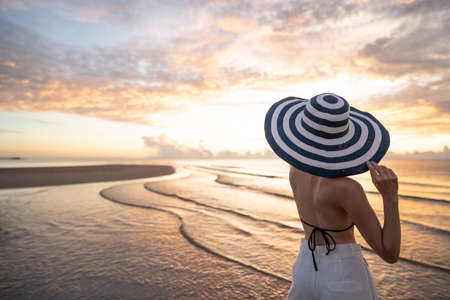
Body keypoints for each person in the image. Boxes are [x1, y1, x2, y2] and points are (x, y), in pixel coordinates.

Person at [264, 93, 401, 300]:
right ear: (345, 138)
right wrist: (390, 197)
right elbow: (389, 252)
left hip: (305, 266)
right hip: (343, 274)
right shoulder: (348, 189)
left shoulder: (295, 171)